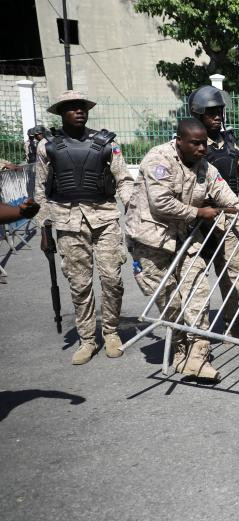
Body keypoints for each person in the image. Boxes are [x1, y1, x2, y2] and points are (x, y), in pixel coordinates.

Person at [126, 118, 239, 381]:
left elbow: (226, 197)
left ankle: (198, 355)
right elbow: (160, 202)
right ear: (180, 141)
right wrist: (197, 211)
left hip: (186, 240)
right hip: (150, 241)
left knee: (198, 293)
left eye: (204, 143)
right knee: (170, 302)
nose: (201, 149)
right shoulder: (159, 159)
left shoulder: (205, 167)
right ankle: (180, 348)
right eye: (195, 143)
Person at [34, 91, 134, 365]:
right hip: (67, 222)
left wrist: (132, 208)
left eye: (82, 107)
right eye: (72, 108)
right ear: (61, 113)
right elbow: (41, 191)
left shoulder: (106, 144)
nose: (79, 111)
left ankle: (111, 332)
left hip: (104, 218)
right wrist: (44, 230)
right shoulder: (47, 147)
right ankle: (87, 339)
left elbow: (124, 180)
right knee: (79, 285)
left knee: (112, 279)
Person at [188, 85, 239, 338]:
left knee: (233, 276)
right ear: (198, 115)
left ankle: (233, 325)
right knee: (195, 279)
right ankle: (196, 333)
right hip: (197, 221)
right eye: (211, 113)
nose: (217, 116)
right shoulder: (191, 144)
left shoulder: (230, 141)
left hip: (227, 217)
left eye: (219, 111)